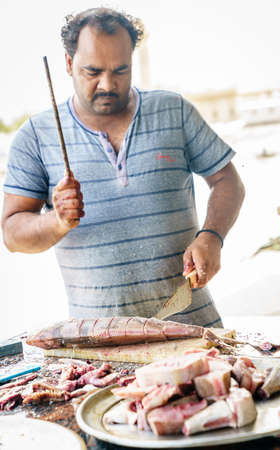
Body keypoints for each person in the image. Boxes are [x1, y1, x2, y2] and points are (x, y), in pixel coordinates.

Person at [1, 7, 245, 328]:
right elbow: (12, 234)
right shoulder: (35, 135)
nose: (108, 84)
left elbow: (227, 180)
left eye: (120, 70)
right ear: (69, 63)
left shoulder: (174, 111)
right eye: (93, 71)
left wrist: (212, 236)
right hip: (98, 346)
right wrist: (56, 222)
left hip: (194, 330)